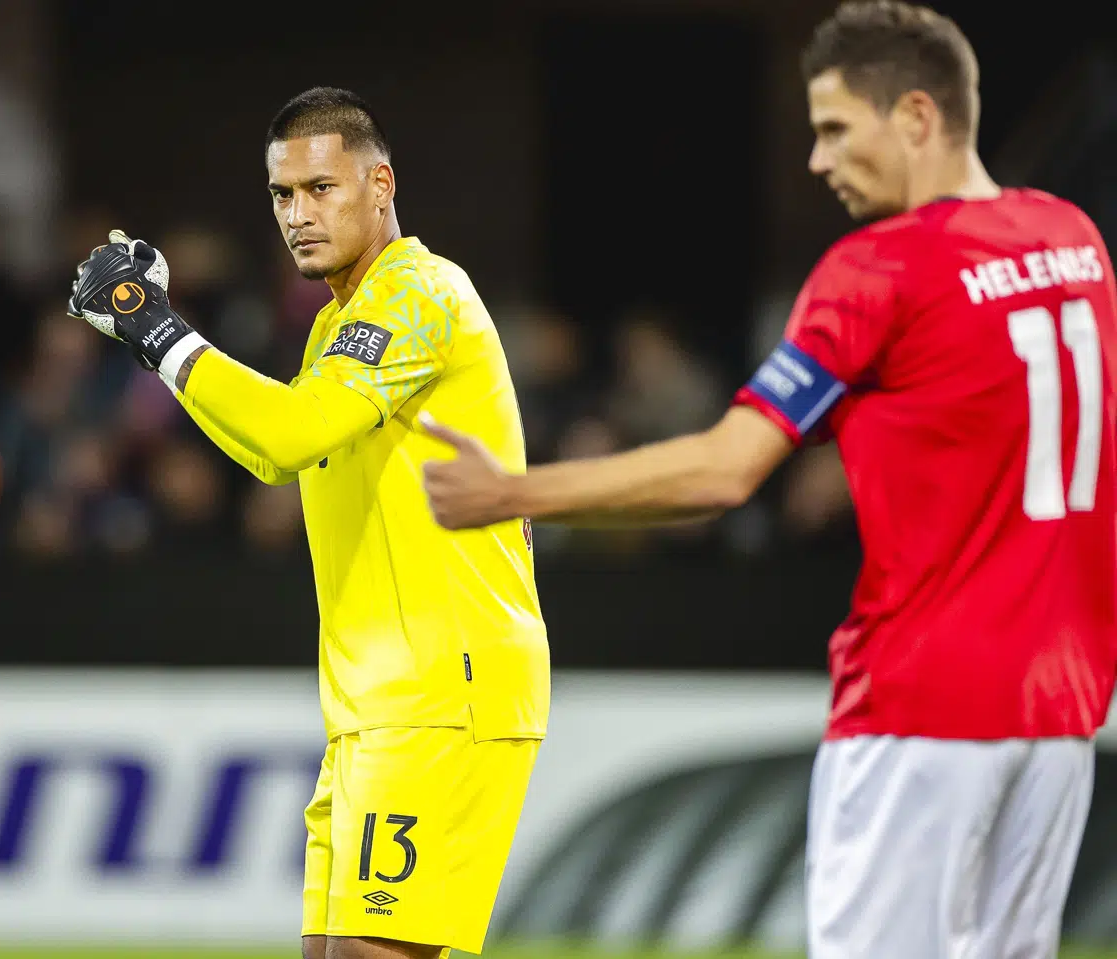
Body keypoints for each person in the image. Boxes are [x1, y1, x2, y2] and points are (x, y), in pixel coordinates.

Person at [419, 3, 1117, 957]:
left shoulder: (877, 269)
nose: (818, 160)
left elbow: (724, 469)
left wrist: (511, 493)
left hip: (924, 708)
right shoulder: (1071, 239)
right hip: (1062, 711)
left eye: (835, 128)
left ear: (917, 116)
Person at [67, 87, 548, 959]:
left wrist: (158, 328)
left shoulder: (420, 293)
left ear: (380, 184)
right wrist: (153, 340)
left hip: (445, 690)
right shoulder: (339, 322)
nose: (298, 214)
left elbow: (290, 432)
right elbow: (273, 454)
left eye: (321, 188)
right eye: (282, 194)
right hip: (376, 705)